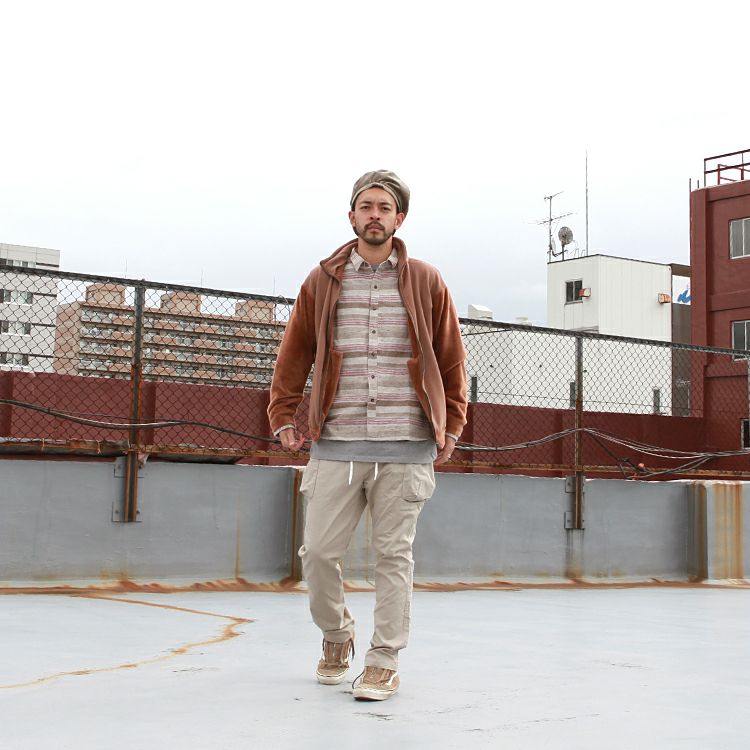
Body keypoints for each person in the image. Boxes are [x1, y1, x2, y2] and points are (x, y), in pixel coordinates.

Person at [268, 169, 467, 701]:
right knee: (317, 554)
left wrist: (453, 424)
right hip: (337, 441)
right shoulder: (322, 281)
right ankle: (337, 635)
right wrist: (283, 414)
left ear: (399, 218)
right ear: (352, 216)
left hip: (407, 444)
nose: (374, 215)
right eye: (366, 206)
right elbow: (295, 352)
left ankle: (383, 660)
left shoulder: (426, 280)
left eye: (384, 207)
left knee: (393, 558)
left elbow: (450, 358)